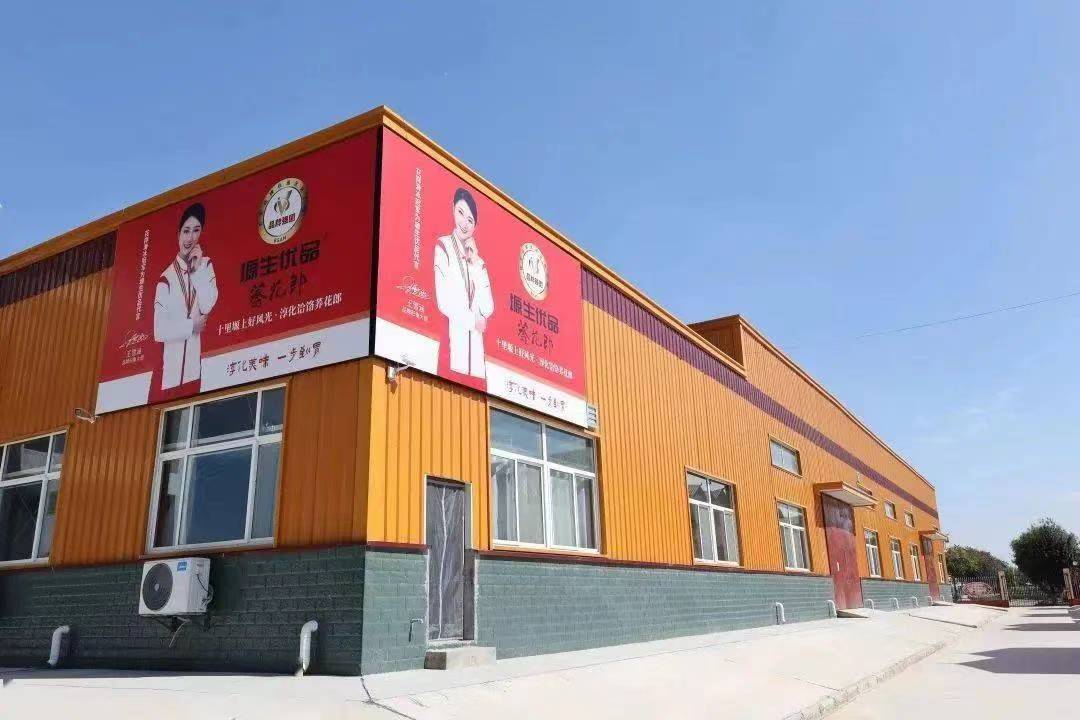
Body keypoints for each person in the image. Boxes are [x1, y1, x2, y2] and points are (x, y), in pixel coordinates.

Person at [154, 202, 218, 391]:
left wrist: (196, 271)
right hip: (168, 379)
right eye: (186, 231)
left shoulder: (206, 265)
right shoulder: (166, 278)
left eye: (196, 230)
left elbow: (207, 305)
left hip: (194, 374)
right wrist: (191, 326)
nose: (190, 237)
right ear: (179, 234)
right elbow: (159, 330)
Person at [434, 188, 493, 378]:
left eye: (470, 220)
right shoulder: (443, 246)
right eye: (461, 213)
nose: (465, 224)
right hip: (452, 353)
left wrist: (474, 264)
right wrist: (473, 321)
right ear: (453, 209)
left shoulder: (479, 262)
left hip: (477, 363)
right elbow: (444, 301)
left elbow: (488, 308)